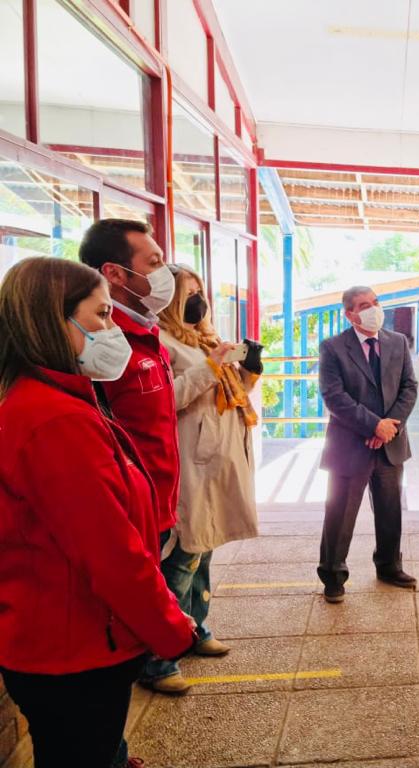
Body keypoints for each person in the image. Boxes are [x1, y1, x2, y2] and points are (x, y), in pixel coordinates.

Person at [0, 258, 196, 768]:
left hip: (68, 639)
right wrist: (171, 627)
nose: (114, 330)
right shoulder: (53, 420)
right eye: (102, 314)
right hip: (75, 649)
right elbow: (110, 552)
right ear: (52, 320)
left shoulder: (53, 401)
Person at [139, 263, 262, 683]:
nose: (199, 301)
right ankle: (159, 656)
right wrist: (210, 365)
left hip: (219, 459)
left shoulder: (204, 338)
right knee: (184, 554)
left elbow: (231, 394)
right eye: (189, 294)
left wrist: (248, 370)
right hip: (190, 461)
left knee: (205, 548)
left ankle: (195, 627)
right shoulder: (160, 341)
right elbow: (167, 399)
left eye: (200, 292)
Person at [79, 219, 187, 694]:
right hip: (128, 505)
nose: (166, 273)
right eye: (154, 262)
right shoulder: (102, 344)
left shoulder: (146, 333)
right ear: (115, 273)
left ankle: (153, 655)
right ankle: (147, 665)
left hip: (158, 497)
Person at [317, 285, 419, 601]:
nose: (373, 309)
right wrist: (374, 425)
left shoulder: (398, 342)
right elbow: (334, 396)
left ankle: (389, 566)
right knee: (340, 514)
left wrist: (388, 427)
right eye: (364, 305)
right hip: (350, 445)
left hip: (390, 444)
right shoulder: (333, 348)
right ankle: (333, 576)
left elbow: (409, 388)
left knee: (390, 510)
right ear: (349, 314)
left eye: (375, 302)